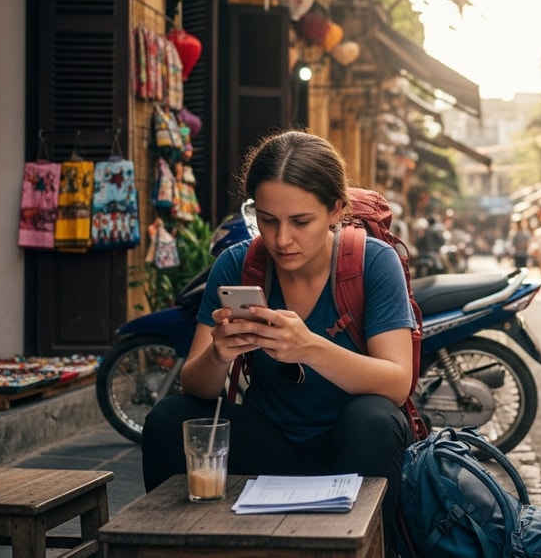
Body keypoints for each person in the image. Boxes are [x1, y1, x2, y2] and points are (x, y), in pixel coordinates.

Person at [141, 130, 417, 540]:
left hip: (355, 447)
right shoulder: (238, 265)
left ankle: (373, 545)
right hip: (272, 443)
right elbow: (195, 386)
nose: (282, 239)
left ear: (335, 210)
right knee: (168, 419)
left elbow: (396, 382)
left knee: (374, 418)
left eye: (300, 222)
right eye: (267, 220)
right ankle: (177, 544)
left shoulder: (372, 262)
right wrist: (218, 354)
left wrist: (309, 348)